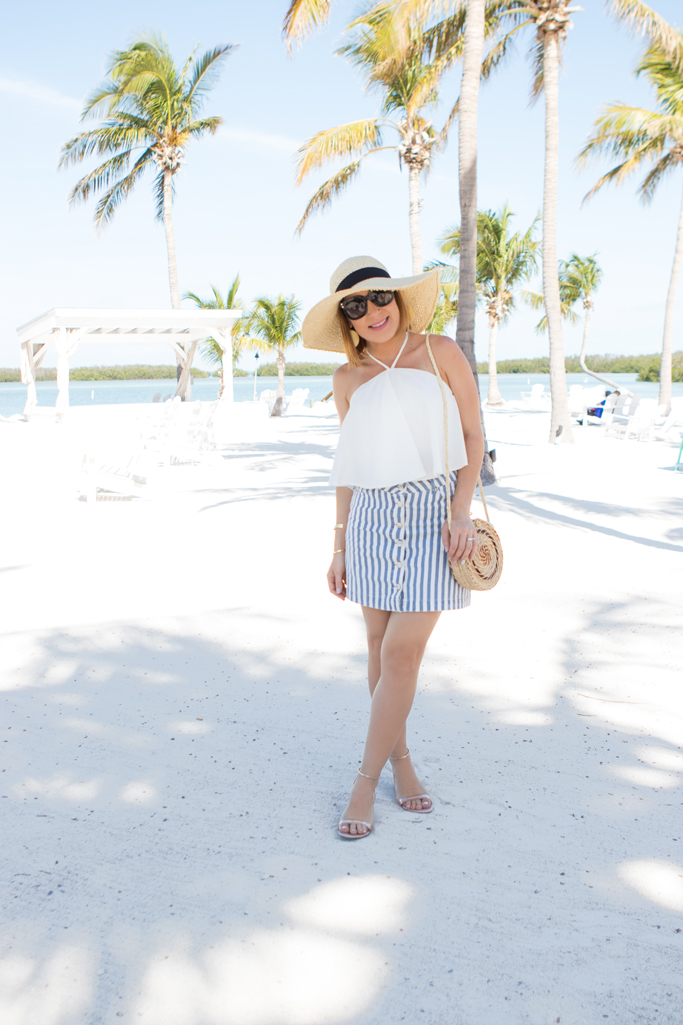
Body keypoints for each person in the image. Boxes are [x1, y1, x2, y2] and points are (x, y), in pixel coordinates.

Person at [301, 256, 485, 839]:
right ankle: (402, 764)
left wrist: (461, 511)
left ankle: (364, 780)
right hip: (372, 519)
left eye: (379, 298)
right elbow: (349, 467)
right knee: (379, 651)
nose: (372, 312)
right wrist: (337, 546)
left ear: (399, 300)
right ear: (346, 321)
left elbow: (475, 435)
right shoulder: (347, 380)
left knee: (403, 655)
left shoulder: (440, 353)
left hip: (437, 515)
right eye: (354, 306)